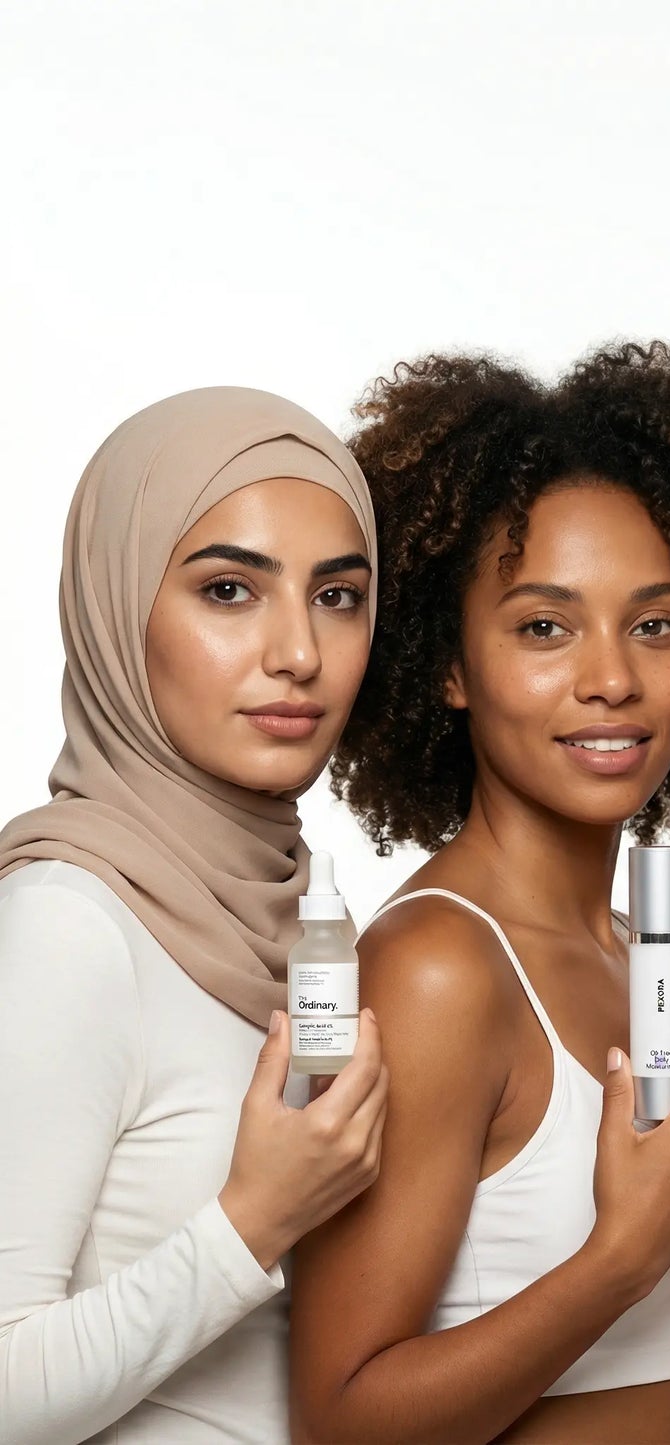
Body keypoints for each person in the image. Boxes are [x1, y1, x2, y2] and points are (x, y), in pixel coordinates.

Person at [288, 343, 670, 1443]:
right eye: (544, 626)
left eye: (654, 622)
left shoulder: (635, 954)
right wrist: (623, 1253)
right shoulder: (438, 968)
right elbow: (339, 1415)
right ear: (447, 665)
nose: (611, 675)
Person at [0, 387, 389, 1444]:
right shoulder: (69, 922)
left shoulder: (308, 917)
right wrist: (253, 1219)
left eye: (339, 596)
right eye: (229, 589)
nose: (298, 652)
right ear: (119, 604)